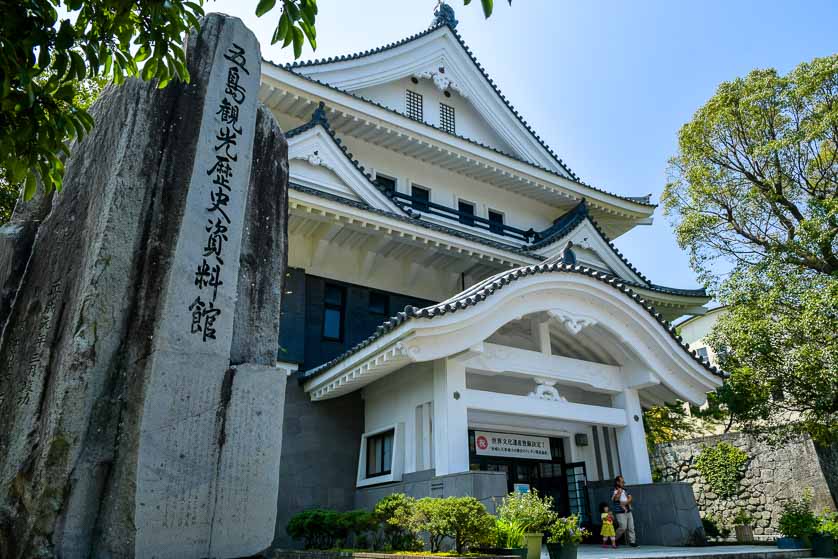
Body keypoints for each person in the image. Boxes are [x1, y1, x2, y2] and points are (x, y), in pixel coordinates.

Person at [612, 475, 638, 547]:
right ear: (617, 482)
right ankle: (614, 539)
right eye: (622, 482)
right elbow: (615, 499)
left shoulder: (626, 490)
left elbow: (630, 498)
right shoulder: (614, 490)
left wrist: (626, 502)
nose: (623, 483)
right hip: (620, 513)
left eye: (624, 482)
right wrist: (619, 493)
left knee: (631, 527)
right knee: (623, 527)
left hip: (628, 511)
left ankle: (632, 542)